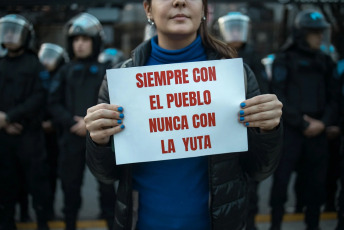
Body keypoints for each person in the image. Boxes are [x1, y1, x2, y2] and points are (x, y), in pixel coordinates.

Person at [84, 1, 283, 229]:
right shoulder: (120, 80)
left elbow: (259, 169)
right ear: (148, 9)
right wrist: (97, 141)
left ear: (204, 9)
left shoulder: (237, 76)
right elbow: (106, 175)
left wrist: (268, 131)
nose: (180, 1)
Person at [269, 10, 340, 230]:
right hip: (291, 132)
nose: (319, 37)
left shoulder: (326, 61)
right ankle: (275, 225)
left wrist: (323, 123)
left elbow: (335, 97)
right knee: (281, 183)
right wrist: (301, 122)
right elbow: (278, 94)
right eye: (314, 33)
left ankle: (313, 225)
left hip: (317, 134)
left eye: (321, 32)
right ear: (301, 34)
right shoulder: (284, 59)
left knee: (316, 186)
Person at [48, 13, 115, 230]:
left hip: (101, 141)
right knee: (70, 188)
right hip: (71, 139)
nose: (80, 44)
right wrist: (70, 122)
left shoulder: (105, 72)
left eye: (85, 39)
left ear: (94, 42)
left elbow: (115, 103)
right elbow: (53, 102)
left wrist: (90, 124)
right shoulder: (64, 71)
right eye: (76, 40)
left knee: (107, 188)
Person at [217, 11, 269, 230]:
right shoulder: (216, 58)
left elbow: (264, 90)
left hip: (249, 130)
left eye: (239, 29)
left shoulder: (254, 58)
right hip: (224, 134)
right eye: (232, 29)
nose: (235, 33)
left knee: (251, 187)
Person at [0, 14, 51, 230]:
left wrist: (10, 117)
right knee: (6, 184)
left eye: (14, 32)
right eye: (6, 31)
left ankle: (41, 223)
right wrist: (2, 121)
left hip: (30, 135)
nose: (10, 35)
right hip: (4, 136)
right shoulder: (1, 64)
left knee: (37, 183)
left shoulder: (35, 65)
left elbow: (39, 97)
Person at [38, 43, 69, 219]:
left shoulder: (63, 76)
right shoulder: (38, 76)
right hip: (39, 132)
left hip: (58, 131)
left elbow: (62, 103)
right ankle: (45, 210)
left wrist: (54, 121)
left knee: (61, 174)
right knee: (43, 175)